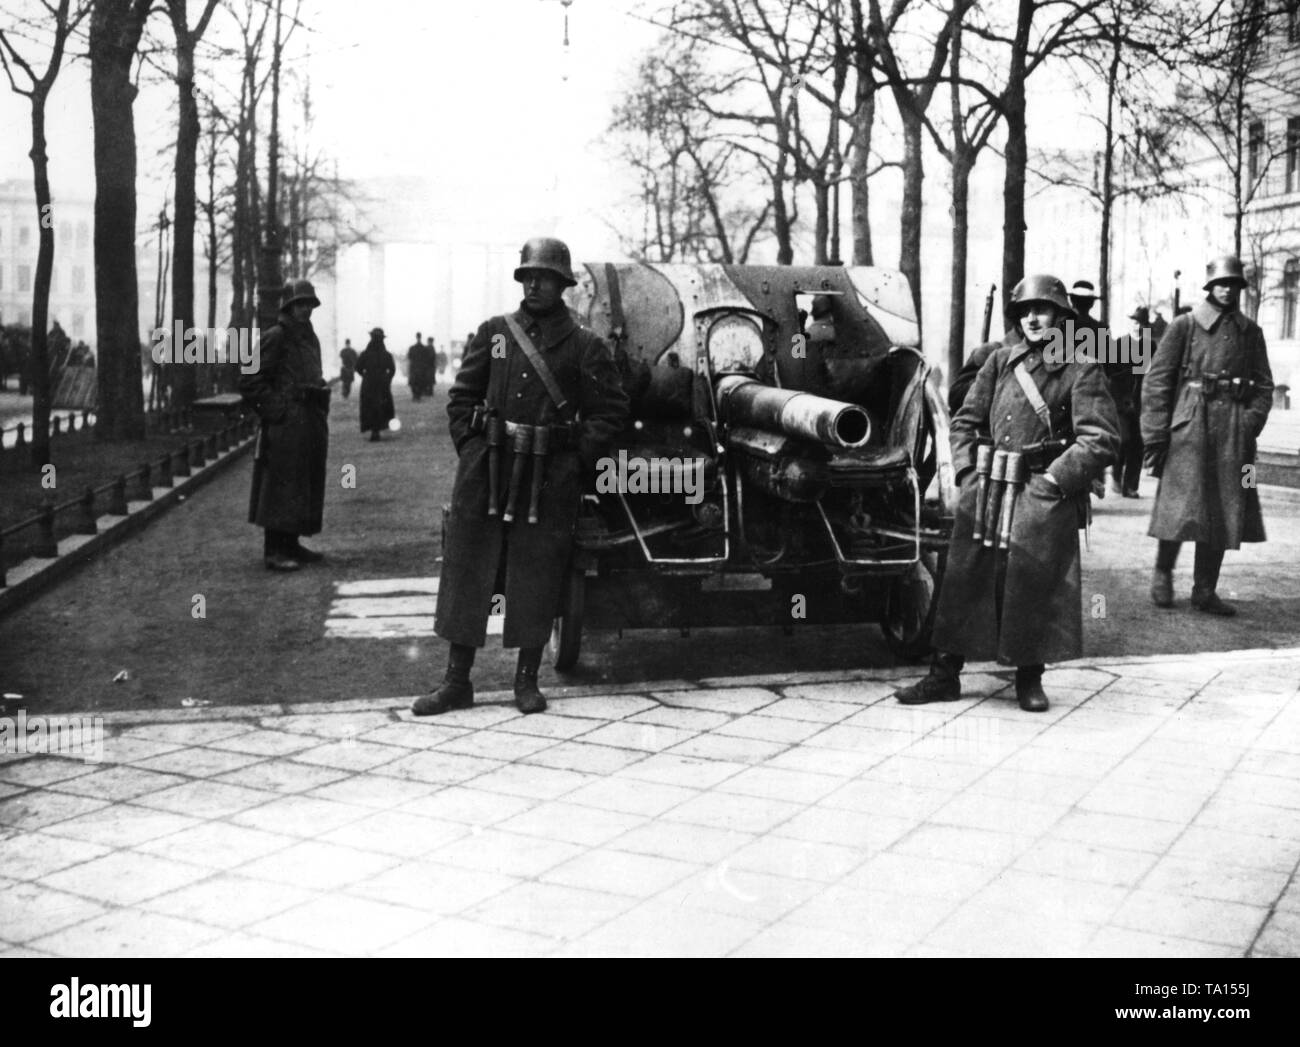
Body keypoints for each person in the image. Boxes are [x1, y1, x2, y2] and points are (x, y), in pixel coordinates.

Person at [414, 236, 628, 716]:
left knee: (537, 574)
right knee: (469, 570)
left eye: (544, 277)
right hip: (486, 473)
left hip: (549, 480)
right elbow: (462, 398)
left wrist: (571, 461)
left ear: (563, 284)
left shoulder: (586, 345)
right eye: (527, 276)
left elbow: (609, 415)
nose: (534, 284)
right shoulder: (495, 332)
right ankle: (455, 681)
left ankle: (526, 681)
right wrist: (471, 451)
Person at [893, 275, 1120, 712]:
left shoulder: (1082, 366)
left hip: (1042, 490)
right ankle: (944, 675)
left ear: (1060, 317)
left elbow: (1101, 439)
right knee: (961, 578)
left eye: (1044, 309)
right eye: (1026, 311)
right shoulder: (999, 362)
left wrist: (1055, 481)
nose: (1034, 318)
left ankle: (1028, 677)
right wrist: (965, 474)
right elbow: (964, 422)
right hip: (990, 484)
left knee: (1031, 584)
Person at [1141, 254, 1273, 616]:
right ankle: (1163, 573)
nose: (1227, 290)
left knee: (1224, 508)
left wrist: (1249, 423)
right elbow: (1157, 381)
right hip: (1191, 424)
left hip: (1233, 428)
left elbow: (1264, 386)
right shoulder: (1185, 325)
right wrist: (1155, 434)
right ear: (1210, 286)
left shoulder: (1251, 332)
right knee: (1179, 506)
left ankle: (1205, 589)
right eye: (1221, 284)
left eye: (1234, 284)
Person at [239, 279, 330, 572]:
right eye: (300, 304)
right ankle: (274, 550)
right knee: (280, 484)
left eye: (309, 305)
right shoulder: (276, 336)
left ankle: (291, 543)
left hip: (309, 419)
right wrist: (277, 410)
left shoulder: (308, 337)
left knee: (302, 483)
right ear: (288, 307)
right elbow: (249, 378)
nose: (306, 310)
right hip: (286, 423)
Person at [1107, 307, 1148, 497]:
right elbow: (1111, 373)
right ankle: (1116, 475)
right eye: (1134, 321)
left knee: (1138, 444)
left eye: (1140, 322)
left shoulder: (1149, 345)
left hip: (1141, 401)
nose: (1137, 326)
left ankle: (1131, 485)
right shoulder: (1120, 343)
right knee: (1123, 441)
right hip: (1121, 400)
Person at [356, 328, 396, 441]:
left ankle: (374, 430)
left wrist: (365, 376)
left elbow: (358, 367)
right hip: (382, 384)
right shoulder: (386, 355)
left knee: (369, 407)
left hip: (368, 384)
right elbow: (392, 370)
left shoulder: (365, 354)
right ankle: (377, 430)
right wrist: (387, 379)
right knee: (381, 407)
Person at [408, 333, 428, 402]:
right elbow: (426, 359)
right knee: (420, 382)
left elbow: (409, 357)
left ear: (416, 337)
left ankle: (415, 396)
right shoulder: (424, 348)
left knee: (413, 382)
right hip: (421, 368)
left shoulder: (412, 348)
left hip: (414, 367)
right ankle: (418, 396)